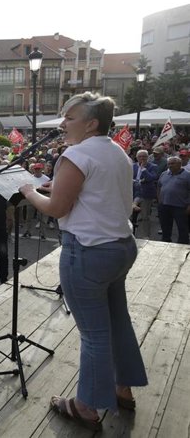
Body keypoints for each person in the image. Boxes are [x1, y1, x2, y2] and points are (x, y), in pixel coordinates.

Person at [19, 92, 147, 431]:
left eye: (70, 118)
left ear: (91, 123)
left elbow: (58, 209)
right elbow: (92, 196)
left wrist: (30, 192)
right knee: (118, 322)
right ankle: (123, 388)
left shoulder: (76, 154)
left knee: (94, 335)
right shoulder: (117, 151)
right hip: (121, 247)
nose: (62, 123)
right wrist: (56, 187)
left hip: (88, 254)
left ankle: (86, 406)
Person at [157, 155, 190, 244]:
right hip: (164, 205)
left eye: (173, 163)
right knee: (165, 226)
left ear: (180, 164)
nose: (170, 165)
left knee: (182, 227)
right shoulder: (164, 174)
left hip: (180, 206)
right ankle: (166, 241)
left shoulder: (187, 175)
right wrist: (159, 199)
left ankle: (183, 244)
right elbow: (159, 186)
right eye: (169, 164)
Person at [131, 149, 158, 238]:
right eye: (140, 156)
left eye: (144, 156)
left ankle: (146, 236)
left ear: (148, 157)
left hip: (145, 195)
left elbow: (151, 178)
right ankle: (131, 235)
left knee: (145, 217)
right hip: (133, 194)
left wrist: (143, 169)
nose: (142, 158)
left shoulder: (153, 166)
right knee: (131, 216)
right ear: (137, 157)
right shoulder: (132, 166)